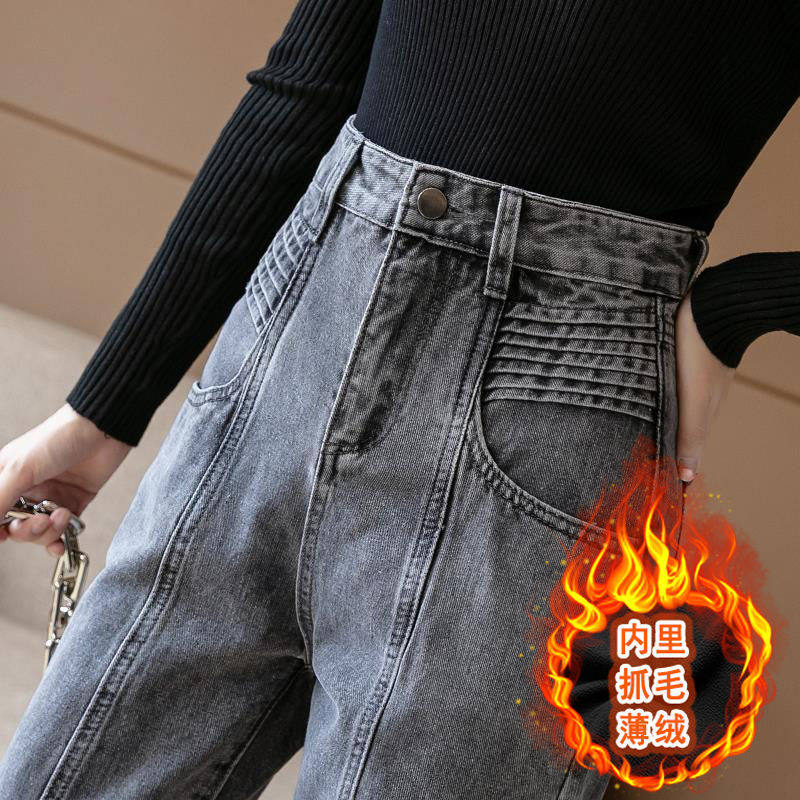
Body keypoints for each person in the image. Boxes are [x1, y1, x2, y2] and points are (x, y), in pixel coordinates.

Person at [0, 1, 797, 797]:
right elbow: (308, 85)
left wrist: (731, 311)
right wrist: (101, 415)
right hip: (299, 334)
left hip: (554, 406)